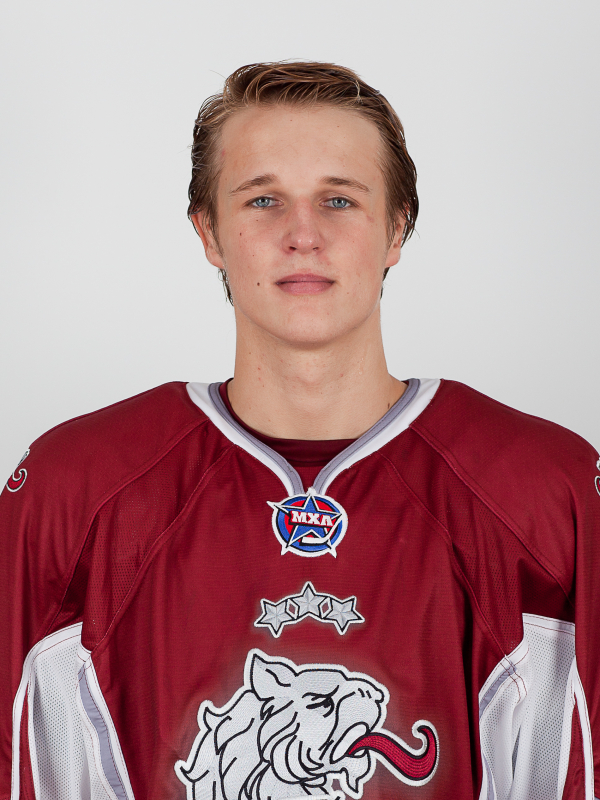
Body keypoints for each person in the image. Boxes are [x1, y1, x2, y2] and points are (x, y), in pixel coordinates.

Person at [1, 61, 599, 800]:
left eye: (339, 200)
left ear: (397, 228)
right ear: (209, 232)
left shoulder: (543, 491)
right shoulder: (74, 490)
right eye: (264, 200)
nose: (303, 235)